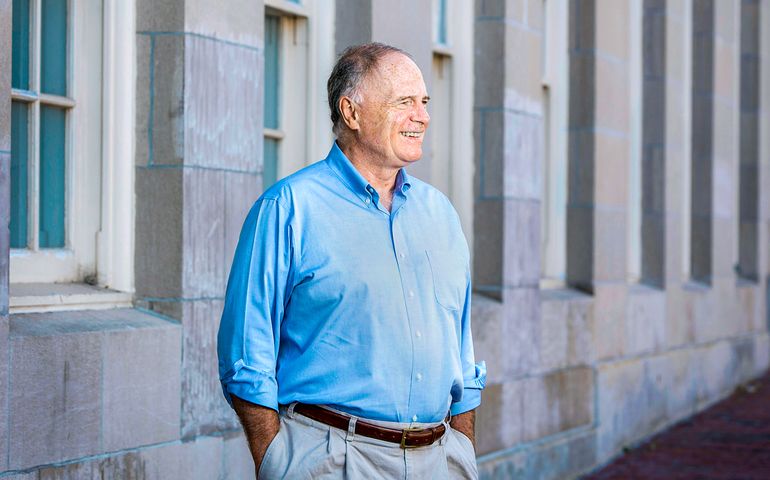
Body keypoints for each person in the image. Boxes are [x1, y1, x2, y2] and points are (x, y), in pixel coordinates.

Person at [217, 42, 486, 479]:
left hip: (440, 460)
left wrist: (462, 449)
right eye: (404, 103)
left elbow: (461, 347)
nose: (422, 116)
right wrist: (277, 461)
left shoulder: (441, 215)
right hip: (334, 461)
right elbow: (246, 356)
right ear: (352, 113)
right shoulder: (288, 208)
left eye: (424, 102)